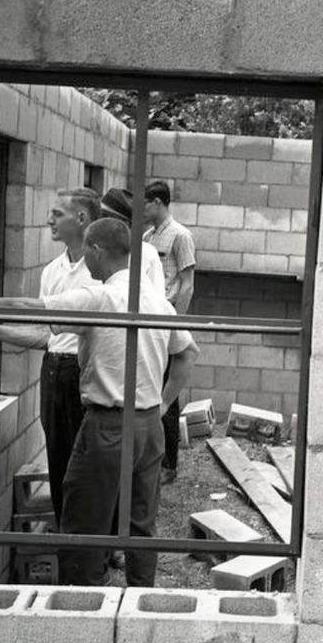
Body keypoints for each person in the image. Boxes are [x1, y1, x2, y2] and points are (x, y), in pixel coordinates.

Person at [0, 218, 199, 587]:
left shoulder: (100, 297)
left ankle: (85, 602)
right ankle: (143, 600)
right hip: (148, 427)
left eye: (88, 253)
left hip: (108, 426)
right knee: (141, 522)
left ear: (96, 250)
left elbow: (34, 307)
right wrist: (162, 404)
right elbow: (188, 354)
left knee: (83, 520)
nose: (85, 262)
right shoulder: (159, 303)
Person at [0, 187, 101, 526]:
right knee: (58, 458)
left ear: (81, 218)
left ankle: (99, 544)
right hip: (55, 372)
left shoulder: (99, 271)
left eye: (57, 213)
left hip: (85, 372)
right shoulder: (52, 271)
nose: (49, 220)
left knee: (88, 462)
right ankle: (66, 536)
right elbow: (49, 337)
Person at [142, 180, 197, 483]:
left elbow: (187, 285)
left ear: (159, 203)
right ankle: (151, 459)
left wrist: (175, 327)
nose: (143, 208)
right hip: (148, 325)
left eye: (146, 202)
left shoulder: (181, 236)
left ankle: (169, 465)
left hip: (166, 324)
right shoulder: (148, 237)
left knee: (168, 396)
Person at [98, 187, 166, 296]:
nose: (99, 221)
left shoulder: (145, 253)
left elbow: (157, 300)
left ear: (125, 223)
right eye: (99, 215)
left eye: (105, 216)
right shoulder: (93, 248)